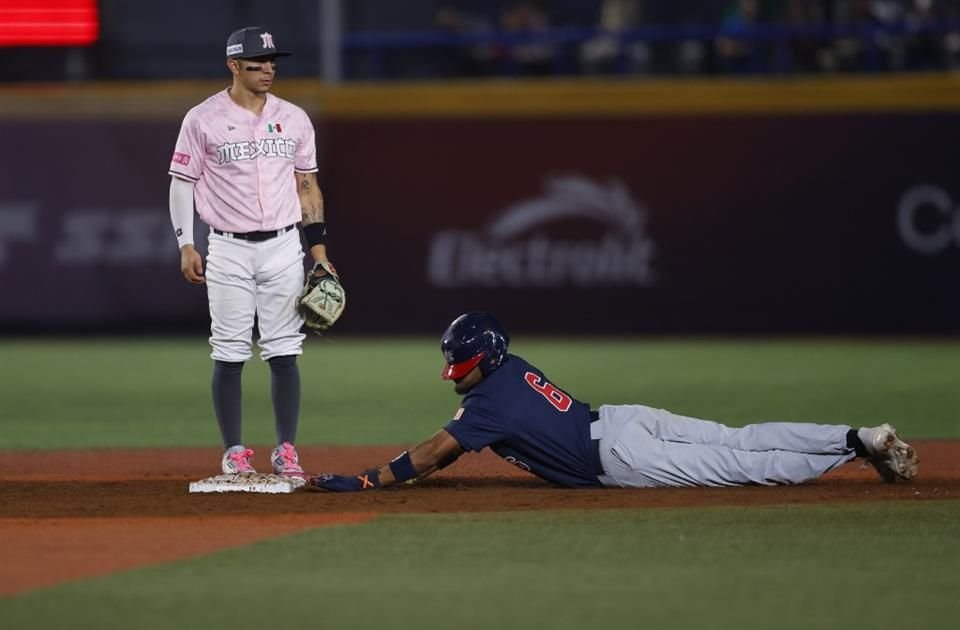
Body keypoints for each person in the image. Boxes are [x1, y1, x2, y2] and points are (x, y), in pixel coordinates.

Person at [308, 312, 919, 491]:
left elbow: (438, 451)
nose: (450, 369)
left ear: (481, 359)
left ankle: (853, 447)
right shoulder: (512, 368)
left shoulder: (487, 401)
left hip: (619, 457)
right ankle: (855, 437)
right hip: (621, 420)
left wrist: (373, 479)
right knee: (738, 438)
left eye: (456, 359)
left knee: (741, 467)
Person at [168, 27, 333, 477]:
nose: (268, 69)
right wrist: (186, 243)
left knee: (284, 350)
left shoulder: (295, 118)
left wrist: (317, 252)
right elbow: (181, 185)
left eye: (272, 61)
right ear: (234, 66)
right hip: (227, 247)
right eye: (257, 62)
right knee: (230, 351)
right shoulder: (202, 119)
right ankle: (234, 451)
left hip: (283, 246)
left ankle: (286, 449)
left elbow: (307, 187)